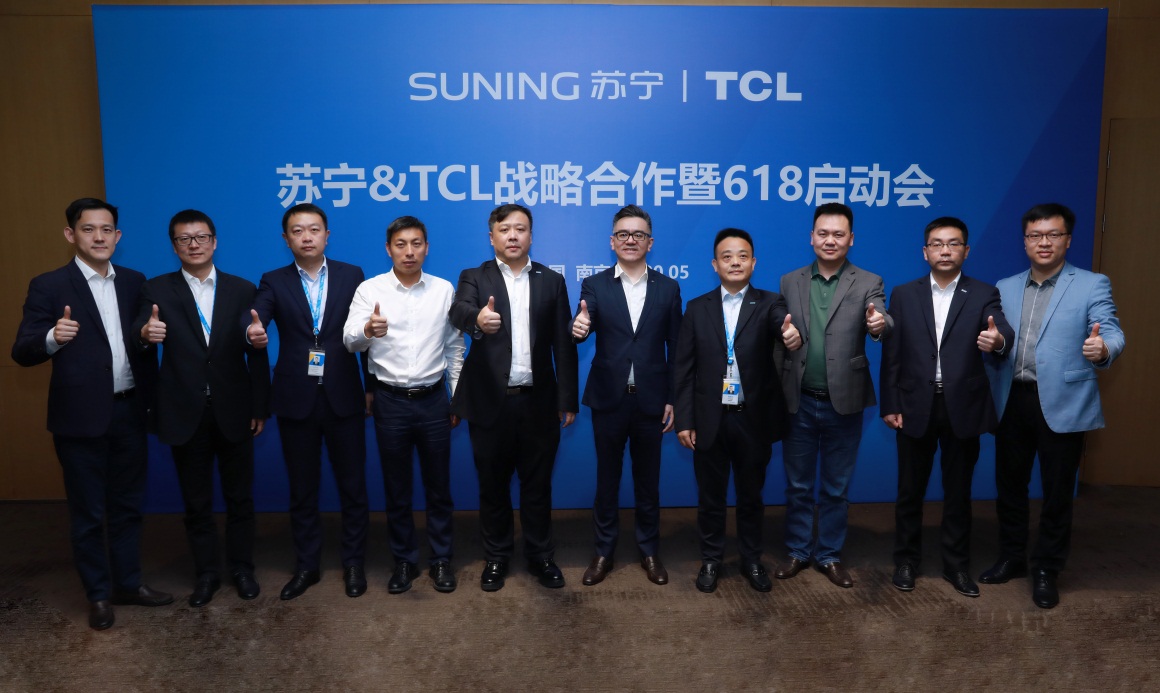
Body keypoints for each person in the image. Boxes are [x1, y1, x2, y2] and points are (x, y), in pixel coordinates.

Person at [11, 198, 172, 630]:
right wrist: (52, 336)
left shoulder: (135, 281)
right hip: (79, 419)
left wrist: (146, 335)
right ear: (71, 235)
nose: (98, 237)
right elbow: (22, 350)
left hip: (130, 411)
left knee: (127, 508)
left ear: (117, 236)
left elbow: (140, 334)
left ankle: (128, 584)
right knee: (88, 514)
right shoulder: (49, 285)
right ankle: (98, 595)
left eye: (106, 230)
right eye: (88, 229)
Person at [981, 203, 1125, 609]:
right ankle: (1012, 556)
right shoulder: (1006, 286)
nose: (1043, 242)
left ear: (1068, 240)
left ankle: (1046, 567)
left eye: (1053, 235)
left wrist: (1103, 349)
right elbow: (1000, 340)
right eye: (1035, 235)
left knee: (1058, 492)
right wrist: (995, 345)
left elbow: (1111, 330)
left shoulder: (1092, 284)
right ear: (1025, 241)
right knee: (1010, 486)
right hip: (1012, 399)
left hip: (1064, 401)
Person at [135, 209, 270, 607]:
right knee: (196, 502)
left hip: (234, 408)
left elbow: (256, 349)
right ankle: (207, 574)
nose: (193, 244)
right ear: (174, 245)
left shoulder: (242, 289)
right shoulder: (156, 290)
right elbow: (140, 334)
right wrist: (145, 333)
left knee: (240, 498)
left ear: (214, 242)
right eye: (184, 239)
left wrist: (260, 404)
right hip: (184, 410)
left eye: (201, 237)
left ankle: (242, 569)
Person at [879, 216, 1013, 598]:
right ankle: (906, 561)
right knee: (910, 491)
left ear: (966, 251)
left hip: (962, 407)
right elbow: (892, 354)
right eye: (937, 244)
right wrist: (890, 402)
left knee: (958, 493)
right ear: (925, 252)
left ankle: (956, 566)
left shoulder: (983, 292)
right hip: (913, 404)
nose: (945, 250)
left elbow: (1001, 330)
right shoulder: (904, 294)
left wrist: (998, 341)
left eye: (953, 244)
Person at [448, 203, 578, 592]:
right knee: (493, 486)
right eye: (504, 229)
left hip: (538, 402)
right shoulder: (474, 276)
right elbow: (458, 311)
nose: (513, 236)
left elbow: (563, 344)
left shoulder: (552, 280)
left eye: (520, 229)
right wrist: (476, 320)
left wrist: (567, 398)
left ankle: (541, 556)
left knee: (538, 486)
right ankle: (497, 557)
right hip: (491, 402)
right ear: (492, 237)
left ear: (531, 236)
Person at [247, 203, 370, 600]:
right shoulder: (273, 280)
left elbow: (364, 337)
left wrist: (369, 386)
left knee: (353, 486)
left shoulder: (352, 275)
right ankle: (307, 566)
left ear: (327, 235)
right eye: (297, 231)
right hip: (295, 396)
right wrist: (251, 332)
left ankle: (354, 564)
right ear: (286, 239)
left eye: (314, 229)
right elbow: (255, 318)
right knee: (302, 489)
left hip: (344, 394)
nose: (306, 237)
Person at [674, 228, 802, 593]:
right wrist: (685, 419)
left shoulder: (770, 302)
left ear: (753, 263)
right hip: (709, 419)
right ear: (714, 264)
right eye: (727, 256)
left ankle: (751, 559)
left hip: (752, 419)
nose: (735, 262)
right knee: (710, 499)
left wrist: (791, 336)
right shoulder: (696, 308)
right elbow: (683, 368)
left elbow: (784, 327)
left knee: (751, 498)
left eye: (742, 256)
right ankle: (711, 559)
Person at [773, 202, 892, 589]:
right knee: (798, 485)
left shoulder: (868, 280)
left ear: (851, 239)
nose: (830, 240)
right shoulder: (790, 281)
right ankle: (797, 550)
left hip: (845, 400)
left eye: (838, 234)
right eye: (823, 233)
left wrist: (878, 324)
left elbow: (882, 318)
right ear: (811, 237)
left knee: (836, 487)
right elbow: (779, 328)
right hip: (798, 399)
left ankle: (829, 554)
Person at [344, 215, 464, 594]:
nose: (409, 251)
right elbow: (349, 339)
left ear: (427, 248)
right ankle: (404, 561)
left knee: (438, 487)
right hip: (390, 402)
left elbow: (454, 347)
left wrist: (456, 396)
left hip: (434, 401)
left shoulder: (443, 290)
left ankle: (441, 560)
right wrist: (368, 330)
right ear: (388, 249)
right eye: (400, 244)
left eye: (416, 244)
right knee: (397, 488)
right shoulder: (370, 289)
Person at [571, 205, 682, 587]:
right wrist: (579, 327)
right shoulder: (595, 285)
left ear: (650, 242)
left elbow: (676, 347)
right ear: (612, 241)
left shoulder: (668, 288)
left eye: (638, 234)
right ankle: (603, 552)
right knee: (607, 480)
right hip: (609, 399)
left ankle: (649, 551)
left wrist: (673, 397)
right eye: (623, 234)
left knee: (648, 482)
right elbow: (583, 322)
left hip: (652, 400)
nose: (630, 240)